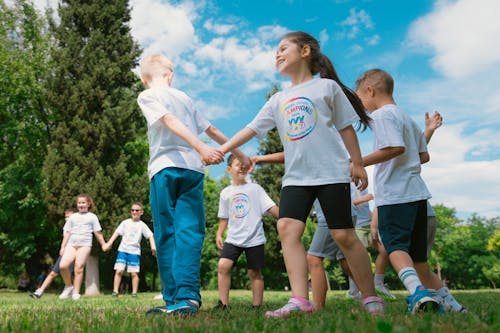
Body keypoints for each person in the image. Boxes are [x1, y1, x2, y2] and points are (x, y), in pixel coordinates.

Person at [214, 31, 384, 317]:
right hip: (295, 179)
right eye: (275, 52)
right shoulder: (278, 99)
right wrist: (222, 150)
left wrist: (357, 162)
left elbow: (345, 127)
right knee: (287, 229)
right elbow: (251, 129)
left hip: (330, 173)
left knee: (343, 235)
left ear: (305, 51)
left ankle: (370, 298)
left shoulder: (327, 88)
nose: (277, 54)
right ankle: (299, 299)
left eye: (283, 48)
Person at [136, 54, 250, 316]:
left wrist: (201, 147)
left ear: (144, 79)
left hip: (165, 168)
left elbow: (168, 121)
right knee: (190, 232)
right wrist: (239, 152)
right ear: (171, 74)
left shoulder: (148, 95)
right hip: (193, 170)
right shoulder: (185, 98)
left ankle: (174, 298)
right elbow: (210, 129)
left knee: (167, 233)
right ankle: (188, 297)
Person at [356, 69, 463, 314]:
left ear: (370, 91)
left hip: (396, 194)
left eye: (361, 99)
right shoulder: (406, 117)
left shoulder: (382, 115)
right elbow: (423, 155)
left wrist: (358, 162)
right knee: (420, 263)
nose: (362, 106)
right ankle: (455, 307)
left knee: (395, 248)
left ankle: (418, 293)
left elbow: (394, 147)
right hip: (417, 196)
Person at [214, 154, 279, 310]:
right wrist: (218, 234)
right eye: (238, 164)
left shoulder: (255, 189)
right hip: (233, 238)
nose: (242, 167)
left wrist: (287, 218)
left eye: (244, 164)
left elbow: (271, 208)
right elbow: (224, 217)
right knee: (223, 266)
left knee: (254, 272)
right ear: (229, 169)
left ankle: (257, 305)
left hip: (254, 238)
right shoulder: (225, 193)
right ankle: (223, 304)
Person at [58, 194, 106, 301]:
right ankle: (69, 286)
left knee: (78, 267)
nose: (81, 205)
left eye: (83, 203)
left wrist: (103, 244)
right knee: (63, 266)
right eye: (79, 203)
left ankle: (76, 293)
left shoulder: (92, 217)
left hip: (85, 245)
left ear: (88, 204)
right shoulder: (73, 217)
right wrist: (62, 247)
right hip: (71, 245)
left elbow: (97, 232)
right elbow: (67, 233)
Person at [103, 202, 156, 298]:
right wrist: (109, 243)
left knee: (134, 273)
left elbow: (150, 235)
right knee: (118, 271)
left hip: (134, 252)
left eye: (137, 210)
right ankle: (115, 291)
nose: (134, 212)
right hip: (123, 250)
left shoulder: (142, 225)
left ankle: (134, 293)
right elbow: (117, 233)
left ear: (141, 212)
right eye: (132, 210)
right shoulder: (125, 223)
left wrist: (153, 247)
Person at [30, 209, 76, 299]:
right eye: (65, 217)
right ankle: (40, 291)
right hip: (65, 252)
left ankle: (71, 291)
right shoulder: (67, 226)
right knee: (53, 273)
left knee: (70, 273)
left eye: (69, 216)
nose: (67, 218)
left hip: (72, 252)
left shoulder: (77, 226)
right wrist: (63, 248)